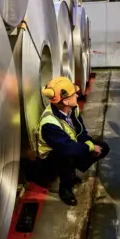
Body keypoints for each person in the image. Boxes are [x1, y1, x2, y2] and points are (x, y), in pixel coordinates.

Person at [36, 77, 109, 206]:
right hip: (50, 159)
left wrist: (91, 144)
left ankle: (73, 169)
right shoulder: (49, 123)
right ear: (65, 100)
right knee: (67, 156)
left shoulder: (72, 108)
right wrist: (90, 148)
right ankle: (65, 189)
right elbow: (67, 148)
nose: (77, 94)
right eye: (73, 94)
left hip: (67, 147)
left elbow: (81, 132)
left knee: (103, 147)